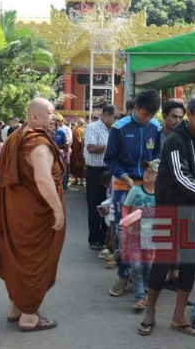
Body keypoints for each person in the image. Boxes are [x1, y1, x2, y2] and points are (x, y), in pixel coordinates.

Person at [0, 98, 66, 333]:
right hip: (34, 216)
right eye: (49, 113)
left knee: (17, 260)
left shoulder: (16, 137)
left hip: (15, 212)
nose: (54, 117)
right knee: (33, 262)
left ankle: (15, 308)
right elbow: (43, 179)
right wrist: (57, 210)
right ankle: (29, 316)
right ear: (34, 117)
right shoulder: (38, 144)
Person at [141, 93, 195, 337]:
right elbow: (181, 178)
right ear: (190, 116)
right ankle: (150, 312)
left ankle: (178, 316)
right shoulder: (175, 140)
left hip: (191, 211)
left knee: (187, 266)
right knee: (162, 262)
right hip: (170, 210)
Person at [104, 89, 162, 298]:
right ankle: (123, 274)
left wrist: (153, 175)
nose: (148, 119)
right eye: (145, 114)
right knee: (125, 233)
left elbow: (156, 155)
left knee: (147, 232)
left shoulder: (155, 127)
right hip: (124, 186)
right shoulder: (119, 128)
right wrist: (125, 177)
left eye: (151, 115)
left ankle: (144, 277)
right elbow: (109, 159)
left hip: (148, 188)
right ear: (136, 108)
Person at [121, 159, 159, 311]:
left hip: (152, 238)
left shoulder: (162, 194)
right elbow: (125, 207)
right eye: (146, 170)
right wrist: (125, 225)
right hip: (135, 236)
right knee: (136, 266)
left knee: (149, 267)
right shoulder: (135, 191)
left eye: (152, 171)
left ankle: (147, 293)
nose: (147, 174)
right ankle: (140, 297)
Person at [84, 105, 117, 250]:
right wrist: (110, 146)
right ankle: (94, 239)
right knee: (94, 205)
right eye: (114, 117)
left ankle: (105, 238)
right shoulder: (92, 127)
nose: (116, 120)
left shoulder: (114, 130)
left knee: (108, 205)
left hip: (109, 171)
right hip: (95, 171)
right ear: (106, 115)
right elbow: (91, 148)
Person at [53, 117, 70, 191]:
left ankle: (63, 185)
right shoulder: (49, 131)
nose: (56, 123)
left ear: (60, 122)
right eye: (55, 121)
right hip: (52, 154)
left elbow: (65, 144)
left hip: (61, 154)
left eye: (58, 121)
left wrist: (56, 147)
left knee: (62, 170)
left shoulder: (62, 132)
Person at [69, 119, 86, 187]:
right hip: (82, 150)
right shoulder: (84, 130)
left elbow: (72, 141)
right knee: (82, 165)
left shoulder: (74, 130)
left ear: (79, 123)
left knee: (75, 164)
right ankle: (82, 181)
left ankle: (76, 180)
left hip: (76, 151)